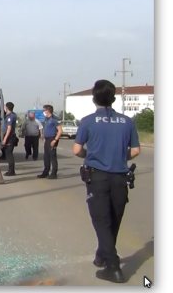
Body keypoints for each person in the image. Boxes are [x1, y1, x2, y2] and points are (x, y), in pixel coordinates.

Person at [73, 79, 141, 284]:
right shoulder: (127, 121)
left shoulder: (87, 121)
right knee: (114, 219)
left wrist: (92, 155)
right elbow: (136, 150)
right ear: (113, 98)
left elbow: (77, 150)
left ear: (94, 99)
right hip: (120, 177)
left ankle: (113, 267)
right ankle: (102, 255)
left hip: (98, 177)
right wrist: (118, 157)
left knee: (101, 221)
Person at [37, 104, 62, 179]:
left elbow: (60, 131)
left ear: (47, 111)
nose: (43, 112)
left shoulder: (54, 119)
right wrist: (44, 138)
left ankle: (54, 173)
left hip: (52, 139)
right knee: (46, 157)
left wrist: (55, 140)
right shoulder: (46, 119)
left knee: (52, 157)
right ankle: (46, 172)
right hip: (47, 139)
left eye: (44, 110)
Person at [2, 102, 18, 176]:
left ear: (7, 107)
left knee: (9, 154)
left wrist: (5, 139)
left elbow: (9, 128)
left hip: (9, 137)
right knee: (8, 154)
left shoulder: (10, 116)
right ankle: (11, 170)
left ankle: (11, 170)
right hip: (9, 136)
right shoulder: (11, 115)